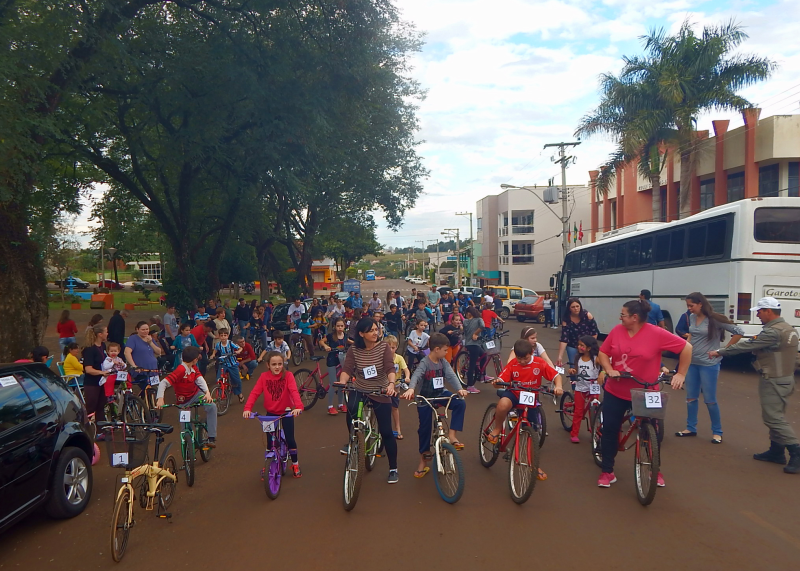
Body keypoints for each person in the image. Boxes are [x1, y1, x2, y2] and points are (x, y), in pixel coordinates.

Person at [597, 299, 691, 488]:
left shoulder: (656, 333)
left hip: (647, 391)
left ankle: (654, 470)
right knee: (610, 429)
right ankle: (607, 470)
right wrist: (609, 369)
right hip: (616, 390)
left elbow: (686, 348)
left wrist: (681, 374)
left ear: (635, 317)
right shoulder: (616, 331)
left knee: (653, 431)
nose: (620, 318)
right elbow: (603, 353)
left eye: (623, 315)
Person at [710, 297, 800, 473]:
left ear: (768, 311)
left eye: (759, 311)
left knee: (773, 418)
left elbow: (746, 345)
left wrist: (720, 351)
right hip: (784, 378)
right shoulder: (789, 329)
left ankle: (795, 451)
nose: (757, 315)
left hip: (774, 379)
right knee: (776, 415)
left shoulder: (773, 332)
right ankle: (776, 451)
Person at [333, 317, 399, 484]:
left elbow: (390, 368)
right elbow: (348, 368)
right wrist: (342, 381)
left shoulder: (383, 347)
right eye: (371, 331)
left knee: (386, 431)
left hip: (380, 390)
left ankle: (393, 468)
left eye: (376, 330)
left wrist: (391, 384)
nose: (375, 333)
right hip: (360, 388)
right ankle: (353, 438)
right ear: (361, 334)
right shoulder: (354, 349)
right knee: (351, 409)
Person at [675, 292, 744, 443]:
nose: (689, 308)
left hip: (709, 364)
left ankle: (717, 432)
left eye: (691, 305)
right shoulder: (692, 317)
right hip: (692, 363)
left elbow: (739, 332)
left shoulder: (714, 319)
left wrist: (723, 350)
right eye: (688, 306)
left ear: (700, 304)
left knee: (710, 399)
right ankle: (690, 427)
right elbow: (692, 335)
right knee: (690, 397)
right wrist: (686, 348)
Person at [489, 339, 563, 480]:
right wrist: (497, 383)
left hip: (530, 397)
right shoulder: (513, 364)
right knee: (503, 404)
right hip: (514, 394)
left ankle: (534, 466)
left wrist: (558, 386)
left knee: (532, 435)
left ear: (532, 353)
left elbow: (556, 376)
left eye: (526, 358)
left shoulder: (539, 363)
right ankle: (497, 429)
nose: (522, 361)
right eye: (519, 358)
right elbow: (501, 380)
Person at [401, 332, 469, 478]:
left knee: (460, 403)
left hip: (440, 394)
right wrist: (411, 389)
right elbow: (416, 376)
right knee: (424, 429)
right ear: (436, 349)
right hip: (425, 398)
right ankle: (423, 460)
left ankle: (452, 435)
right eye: (445, 350)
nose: (446, 353)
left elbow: (451, 375)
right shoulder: (425, 362)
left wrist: (459, 389)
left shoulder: (443, 362)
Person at [243, 351, 304, 477]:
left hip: (286, 412)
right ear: (268, 365)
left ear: (283, 364)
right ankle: (268, 464)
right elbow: (255, 393)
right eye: (274, 364)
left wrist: (298, 407)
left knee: (290, 439)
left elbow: (294, 391)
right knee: (270, 442)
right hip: (270, 413)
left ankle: (295, 463)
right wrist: (247, 409)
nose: (277, 367)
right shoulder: (263, 377)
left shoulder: (288, 376)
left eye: (280, 364)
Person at [157, 346, 217, 448]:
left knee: (212, 406)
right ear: (194, 359)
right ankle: (188, 445)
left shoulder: (193, 367)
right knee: (185, 428)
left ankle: (211, 437)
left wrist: (207, 393)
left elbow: (200, 379)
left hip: (196, 395)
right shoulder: (180, 370)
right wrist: (160, 398)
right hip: (183, 402)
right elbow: (163, 383)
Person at [567, 336, 605, 443]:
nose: (579, 347)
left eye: (582, 345)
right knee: (578, 411)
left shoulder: (596, 359)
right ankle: (574, 433)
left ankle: (595, 430)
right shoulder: (578, 358)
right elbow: (576, 369)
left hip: (593, 388)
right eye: (579, 345)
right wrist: (573, 371)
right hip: (580, 388)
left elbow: (607, 365)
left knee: (594, 410)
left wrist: (603, 373)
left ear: (589, 348)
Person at [556, 298, 599, 374]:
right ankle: (574, 381)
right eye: (573, 307)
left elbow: (594, 333)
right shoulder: (566, 319)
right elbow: (564, 338)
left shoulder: (587, 315)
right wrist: (560, 356)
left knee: (588, 364)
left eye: (577, 306)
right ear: (569, 308)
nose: (576, 308)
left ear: (580, 306)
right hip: (572, 345)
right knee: (573, 366)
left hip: (587, 345)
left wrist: (589, 346)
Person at [82, 325, 111, 428]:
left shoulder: (103, 346)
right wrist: (101, 372)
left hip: (102, 381)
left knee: (101, 405)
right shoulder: (89, 350)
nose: (107, 334)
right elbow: (88, 369)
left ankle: (101, 429)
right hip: (92, 383)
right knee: (91, 407)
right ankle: (86, 428)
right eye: (106, 332)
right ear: (100, 334)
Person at [320, 317, 348, 415]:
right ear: (334, 327)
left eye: (341, 326)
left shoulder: (346, 336)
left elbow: (350, 342)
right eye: (338, 326)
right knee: (333, 383)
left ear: (344, 326)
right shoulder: (331, 336)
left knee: (341, 383)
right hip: (332, 361)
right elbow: (321, 341)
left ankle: (340, 404)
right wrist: (325, 346)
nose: (340, 328)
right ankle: (330, 406)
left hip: (341, 361)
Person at [125, 321, 162, 389]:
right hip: (141, 370)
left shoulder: (150, 338)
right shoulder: (133, 338)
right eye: (143, 330)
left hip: (153, 369)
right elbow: (127, 352)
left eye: (147, 329)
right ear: (137, 329)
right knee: (146, 389)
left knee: (155, 389)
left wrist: (150, 342)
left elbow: (158, 352)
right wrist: (134, 366)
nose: (145, 331)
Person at [386, 335, 410, 440]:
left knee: (394, 408)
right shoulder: (382, 358)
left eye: (393, 347)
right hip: (384, 386)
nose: (391, 350)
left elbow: (406, 369)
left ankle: (397, 428)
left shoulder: (399, 358)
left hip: (395, 386)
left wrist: (407, 377)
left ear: (396, 347)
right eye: (388, 347)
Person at [210, 328, 244, 403]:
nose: (223, 337)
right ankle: (220, 395)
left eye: (225, 335)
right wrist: (213, 354)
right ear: (219, 336)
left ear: (227, 336)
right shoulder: (218, 344)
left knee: (237, 380)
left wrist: (238, 351)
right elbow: (215, 350)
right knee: (219, 379)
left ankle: (239, 393)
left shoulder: (230, 343)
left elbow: (240, 348)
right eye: (221, 335)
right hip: (223, 364)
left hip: (232, 364)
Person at [462, 307, 484, 393]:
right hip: (474, 344)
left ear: (468, 313)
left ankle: (482, 375)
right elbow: (482, 326)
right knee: (472, 364)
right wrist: (475, 334)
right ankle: (470, 386)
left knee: (483, 356)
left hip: (469, 344)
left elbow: (464, 330)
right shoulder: (479, 319)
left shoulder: (465, 321)